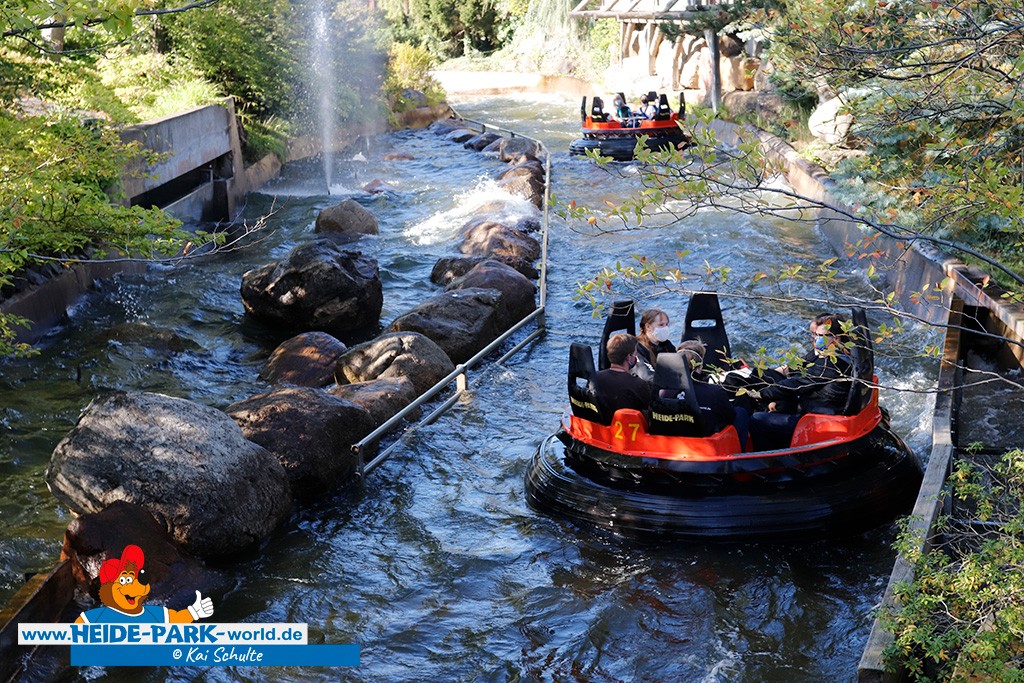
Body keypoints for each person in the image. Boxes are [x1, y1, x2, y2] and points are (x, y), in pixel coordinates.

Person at [592, 333, 651, 416]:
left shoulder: (594, 378)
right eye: (635, 354)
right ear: (629, 357)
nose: (636, 358)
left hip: (602, 422)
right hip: (629, 423)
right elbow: (651, 410)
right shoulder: (639, 384)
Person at [634, 308, 676, 381]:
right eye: (661, 325)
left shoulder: (666, 344)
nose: (665, 328)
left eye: (666, 324)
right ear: (648, 327)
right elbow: (646, 375)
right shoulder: (638, 347)